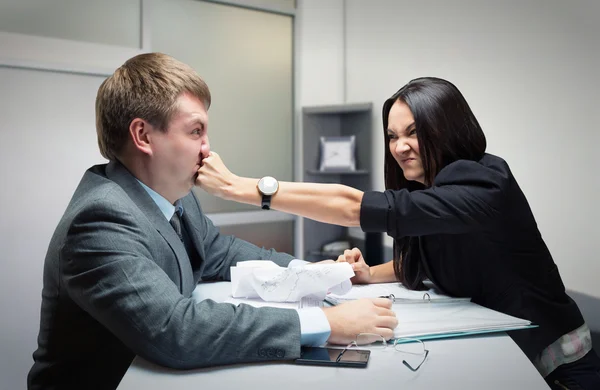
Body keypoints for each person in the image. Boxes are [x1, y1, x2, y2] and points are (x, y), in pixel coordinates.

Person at [197, 77, 600, 389]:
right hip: (501, 345)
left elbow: (352, 206)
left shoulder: (484, 181)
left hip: (556, 363)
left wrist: (240, 188)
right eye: (392, 136)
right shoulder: (431, 188)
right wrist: (371, 273)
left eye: (413, 133)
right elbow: (431, 255)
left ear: (448, 128)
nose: (400, 146)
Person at [27, 53, 398, 390]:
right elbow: (176, 331)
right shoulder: (100, 219)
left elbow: (221, 252)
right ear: (143, 136)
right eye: (195, 131)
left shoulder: (175, 195)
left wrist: (315, 274)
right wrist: (326, 324)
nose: (208, 149)